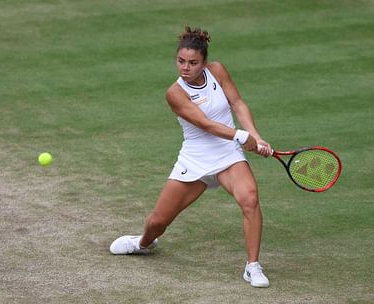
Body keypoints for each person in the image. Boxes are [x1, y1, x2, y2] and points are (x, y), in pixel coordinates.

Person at [110, 26, 272, 288]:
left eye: (193, 62)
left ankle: (252, 266)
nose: (185, 67)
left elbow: (238, 104)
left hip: (227, 155)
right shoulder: (175, 93)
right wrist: (243, 137)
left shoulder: (217, 71)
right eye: (181, 61)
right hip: (195, 159)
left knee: (250, 199)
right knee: (158, 221)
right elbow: (206, 124)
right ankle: (142, 243)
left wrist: (256, 135)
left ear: (205, 62)